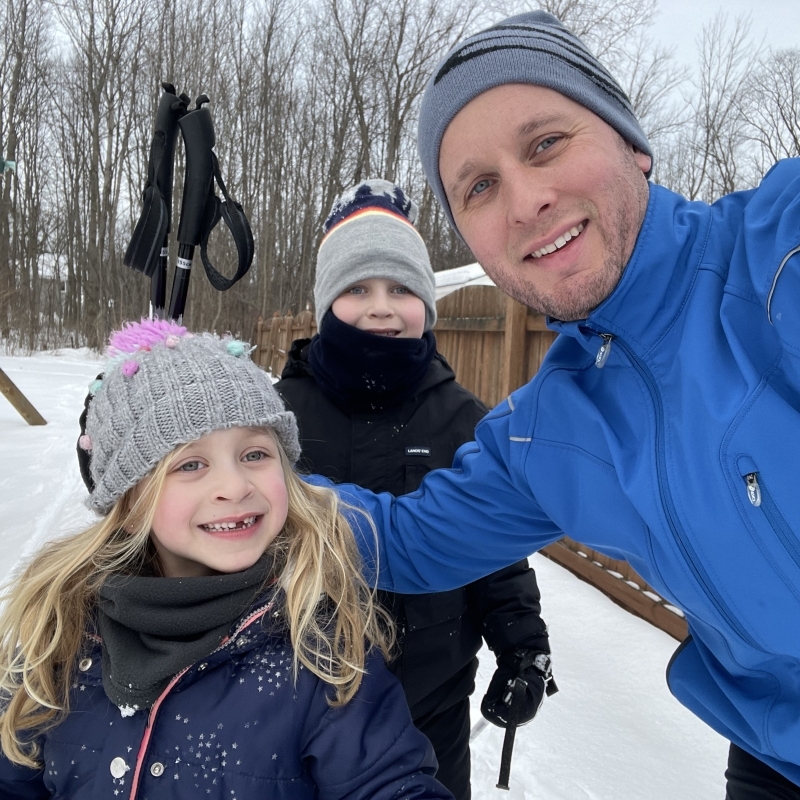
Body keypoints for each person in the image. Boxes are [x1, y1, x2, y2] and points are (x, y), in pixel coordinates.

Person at [311, 11, 800, 800]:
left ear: (632, 143)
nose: (527, 200)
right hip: (778, 759)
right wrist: (203, 471)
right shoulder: (547, 432)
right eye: (479, 187)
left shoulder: (777, 255)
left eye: (545, 144)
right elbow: (402, 540)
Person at [0, 319, 453, 800]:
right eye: (191, 464)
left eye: (255, 453)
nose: (235, 487)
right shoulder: (59, 636)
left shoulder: (319, 654)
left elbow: (389, 784)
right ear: (130, 505)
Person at [275, 178, 556, 799]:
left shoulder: (463, 419)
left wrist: (521, 644)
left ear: (426, 305)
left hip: (429, 705)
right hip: (290, 699)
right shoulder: (275, 416)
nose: (381, 307)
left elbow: (496, 544)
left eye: (401, 288)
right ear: (326, 304)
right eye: (358, 289)